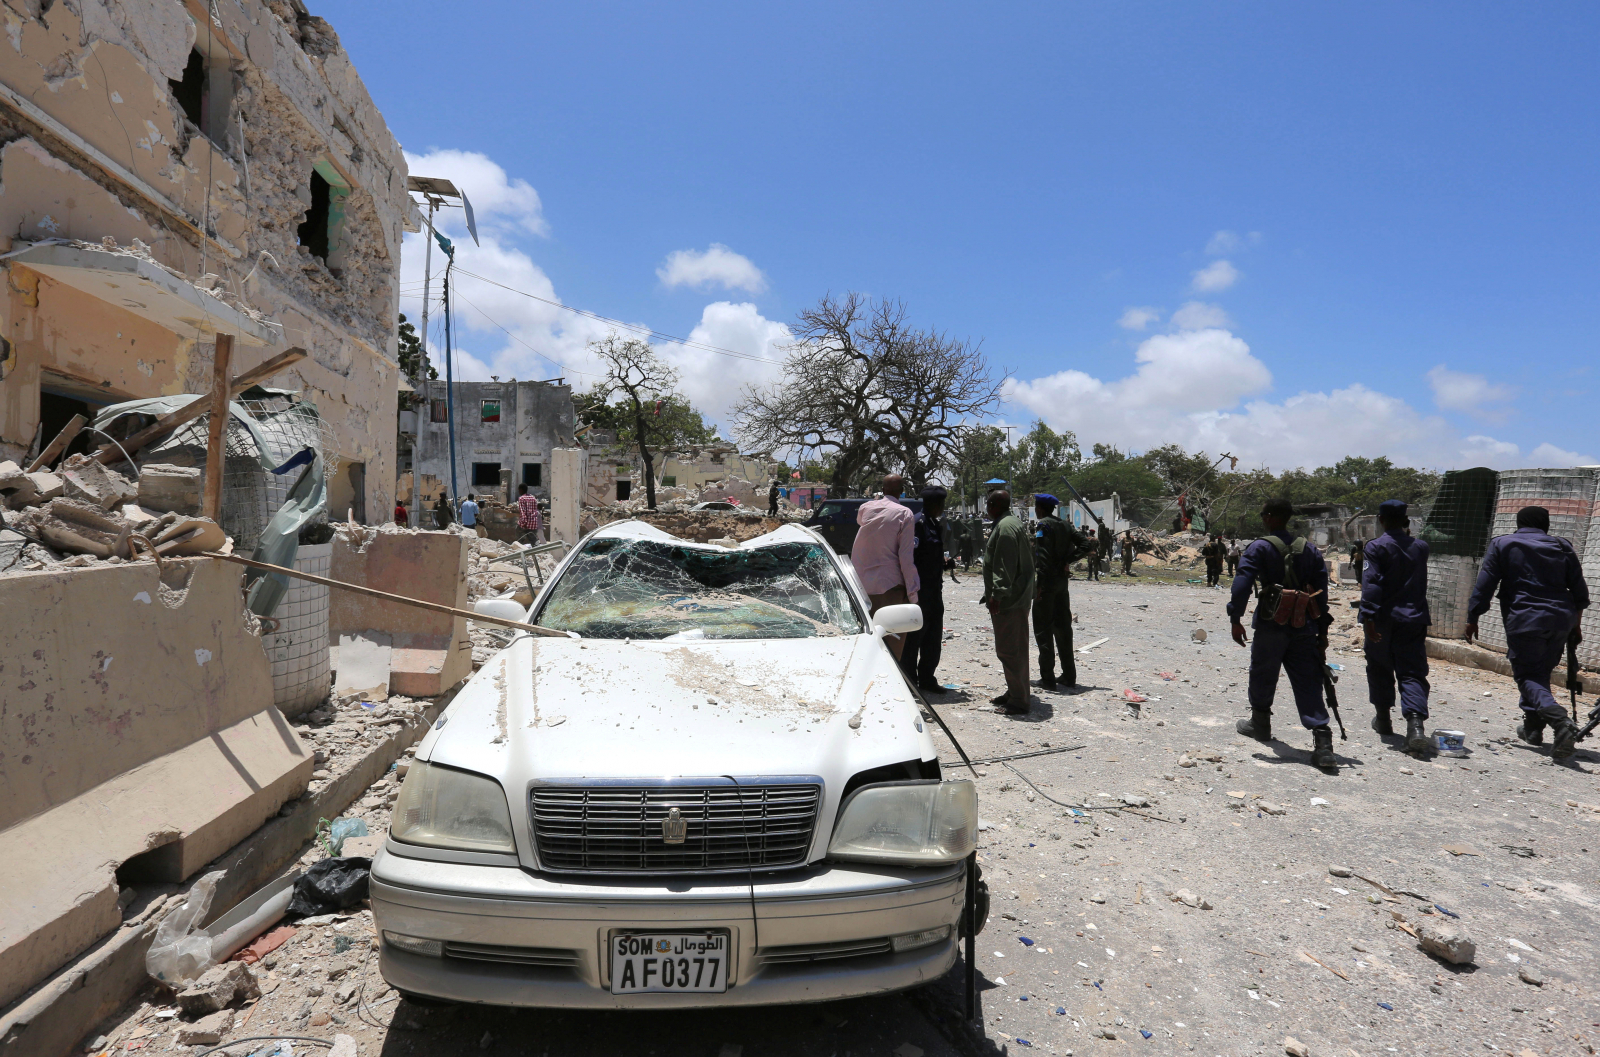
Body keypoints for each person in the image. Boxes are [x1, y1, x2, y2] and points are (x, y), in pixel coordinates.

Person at [1466, 505, 1590, 756]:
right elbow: (1579, 593)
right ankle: (1533, 728)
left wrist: (1473, 617)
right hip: (1560, 621)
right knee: (1540, 672)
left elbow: (1485, 583)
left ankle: (1559, 721)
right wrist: (1575, 626)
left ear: (1518, 523)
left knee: (1528, 676)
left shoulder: (1503, 544)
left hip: (1525, 619)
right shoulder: (1563, 546)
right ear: (1545, 525)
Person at [1228, 499, 1337, 769]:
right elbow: (1321, 594)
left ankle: (1260, 723)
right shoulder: (1310, 549)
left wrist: (1235, 618)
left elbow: (1242, 583)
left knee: (1263, 671)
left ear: (1268, 517)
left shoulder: (1260, 547)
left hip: (1270, 622)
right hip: (1303, 624)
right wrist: (1322, 630)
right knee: (1308, 679)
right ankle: (1323, 741)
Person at [1360, 500, 1433, 752]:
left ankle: (1383, 720)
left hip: (1383, 619)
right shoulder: (1420, 547)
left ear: (1380, 520)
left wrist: (1368, 618)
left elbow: (1372, 584)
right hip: (1414, 619)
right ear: (1406, 521)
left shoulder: (1376, 547)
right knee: (1412, 671)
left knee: (1380, 667)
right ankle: (1415, 727)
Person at [852, 474, 920, 660]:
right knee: (892, 644)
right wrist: (912, 593)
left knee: (869, 640)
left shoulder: (866, 508)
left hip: (862, 587)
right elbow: (906, 557)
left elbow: (861, 522)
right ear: (901, 491)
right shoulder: (904, 513)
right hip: (890, 587)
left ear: (882, 490)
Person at [982, 489, 1036, 715]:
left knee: (1010, 650)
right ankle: (1015, 691)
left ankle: (1019, 700)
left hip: (1010, 600)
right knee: (1015, 648)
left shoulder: (1004, 528)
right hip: (1018, 596)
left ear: (993, 505)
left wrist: (997, 594)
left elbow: (1004, 565)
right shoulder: (1011, 522)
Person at [1031, 494, 1091, 689]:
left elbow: (1043, 557)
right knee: (1064, 628)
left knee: (1043, 629)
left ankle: (1047, 678)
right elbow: (1086, 545)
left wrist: (1039, 586)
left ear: (1040, 508)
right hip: (1061, 584)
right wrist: (1067, 561)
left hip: (1047, 583)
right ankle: (1068, 675)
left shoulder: (1043, 526)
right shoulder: (1065, 525)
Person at [901, 486, 953, 692]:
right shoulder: (917, 524)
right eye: (940, 505)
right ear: (933, 504)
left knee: (933, 637)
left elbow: (932, 555)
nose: (942, 509)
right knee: (914, 637)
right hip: (920, 591)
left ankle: (927, 678)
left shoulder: (933, 524)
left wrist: (944, 562)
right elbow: (910, 558)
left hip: (934, 590)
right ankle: (910, 681)